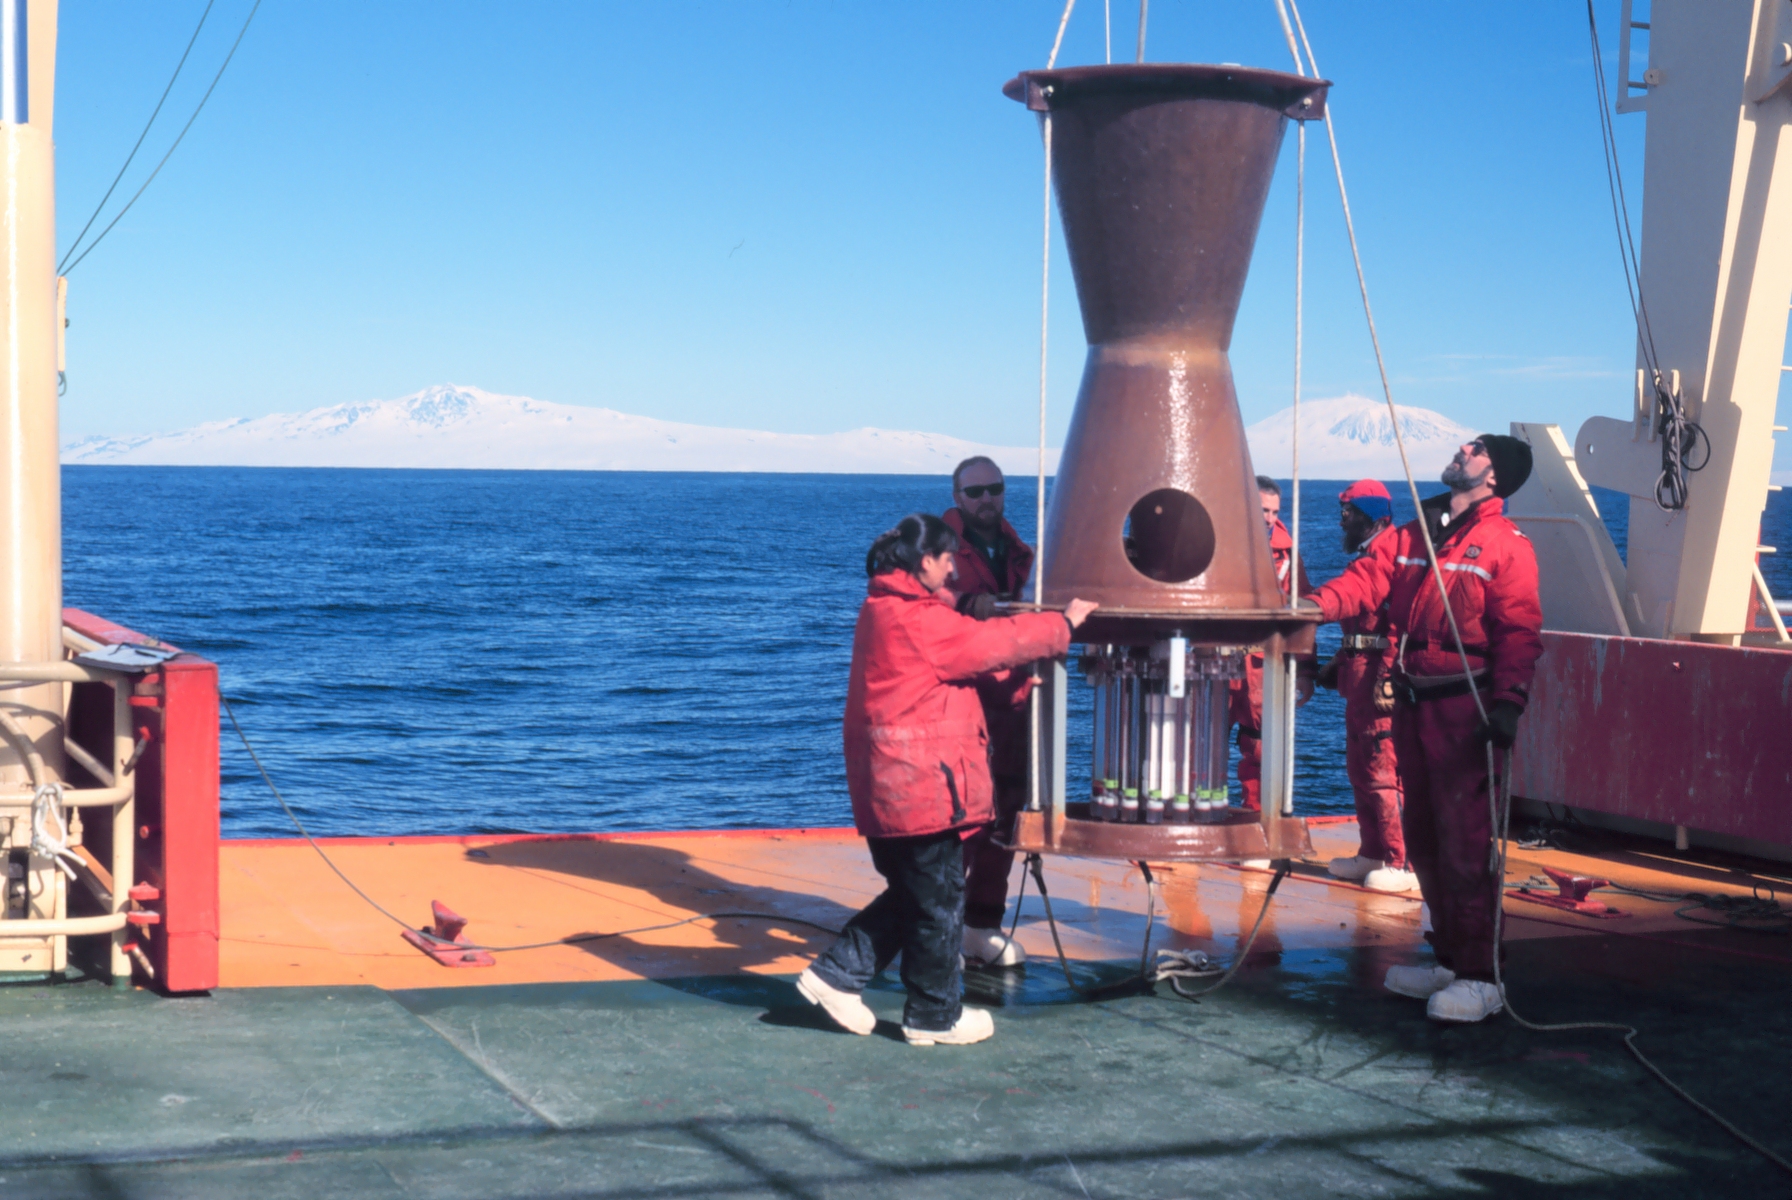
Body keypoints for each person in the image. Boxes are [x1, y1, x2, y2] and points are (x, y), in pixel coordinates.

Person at [798, 513, 1097, 1045]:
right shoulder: (921, 623)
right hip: (922, 789)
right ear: (927, 562)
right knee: (938, 901)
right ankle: (935, 1015)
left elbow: (955, 626)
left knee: (918, 894)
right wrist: (1063, 625)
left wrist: (964, 607)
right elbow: (994, 646)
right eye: (948, 559)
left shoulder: (885, 608)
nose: (956, 569)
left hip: (892, 788)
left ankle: (836, 976)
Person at [1303, 436, 1542, 1023]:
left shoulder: (1506, 547)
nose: (1463, 448)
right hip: (1413, 703)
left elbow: (1518, 630)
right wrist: (1311, 608)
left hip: (1466, 710)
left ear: (1494, 477)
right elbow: (1366, 581)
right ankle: (1450, 959)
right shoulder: (1415, 533)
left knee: (1466, 844)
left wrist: (1508, 704)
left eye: (1477, 448)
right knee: (1427, 840)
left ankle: (1483, 977)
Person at [939, 457, 1037, 968]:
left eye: (993, 489)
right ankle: (940, 929)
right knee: (961, 817)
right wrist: (970, 605)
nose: (985, 499)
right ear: (957, 496)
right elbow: (927, 604)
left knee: (1007, 818)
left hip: (1015, 700)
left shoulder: (1022, 552)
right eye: (974, 491)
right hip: (966, 703)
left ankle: (981, 925)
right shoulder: (938, 550)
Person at [1318, 480, 1417, 894]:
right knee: (1360, 768)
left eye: (1349, 513)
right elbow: (1363, 627)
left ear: (1374, 517)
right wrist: (1338, 663)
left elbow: (1397, 628)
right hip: (1359, 679)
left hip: (1377, 682)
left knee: (1382, 769)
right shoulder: (1373, 554)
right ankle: (1372, 854)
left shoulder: (1386, 559)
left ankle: (1400, 863)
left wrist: (1387, 679)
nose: (1342, 520)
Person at [1229, 476, 1314, 814]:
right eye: (1263, 509)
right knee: (1193, 743)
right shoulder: (1215, 542)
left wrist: (1305, 670)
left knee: (1261, 748)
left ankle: (1256, 823)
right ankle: (1186, 819)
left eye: (1274, 511)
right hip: (1212, 660)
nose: (1269, 518)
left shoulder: (1287, 554)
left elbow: (1305, 611)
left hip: (1260, 667)